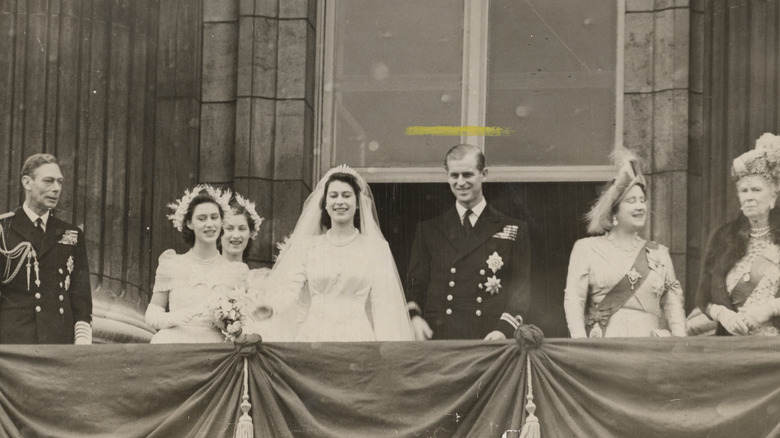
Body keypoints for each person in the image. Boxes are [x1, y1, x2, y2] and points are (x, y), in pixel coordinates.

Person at [254, 165, 414, 342]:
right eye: (333, 196)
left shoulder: (376, 249)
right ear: (325, 204)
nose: (340, 202)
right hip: (314, 336)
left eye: (346, 195)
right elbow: (289, 288)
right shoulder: (308, 247)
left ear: (358, 203)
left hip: (357, 337)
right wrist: (271, 306)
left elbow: (384, 304)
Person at [406, 144, 531, 340]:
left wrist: (503, 330)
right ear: (447, 176)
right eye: (454, 175)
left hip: (489, 337)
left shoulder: (513, 228)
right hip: (440, 336)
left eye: (467, 175)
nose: (461, 182)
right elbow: (416, 285)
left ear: (484, 174)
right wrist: (414, 318)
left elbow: (520, 289)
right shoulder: (428, 229)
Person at [563, 149, 686, 338]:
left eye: (642, 200)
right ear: (614, 213)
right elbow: (574, 300)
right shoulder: (586, 248)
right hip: (605, 346)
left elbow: (674, 306)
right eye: (631, 201)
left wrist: (679, 347)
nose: (640, 206)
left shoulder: (660, 254)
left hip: (650, 350)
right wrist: (582, 346)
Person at [0, 154, 92, 344]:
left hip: (58, 344)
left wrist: (82, 344)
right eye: (48, 181)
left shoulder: (72, 234)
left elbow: (81, 298)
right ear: (27, 182)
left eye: (59, 182)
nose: (56, 188)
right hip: (13, 345)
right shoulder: (3, 229)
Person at [697, 133, 780, 336]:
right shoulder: (722, 238)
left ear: (773, 196)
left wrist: (769, 309)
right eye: (744, 191)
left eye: (756, 190)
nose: (749, 197)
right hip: (731, 348)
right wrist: (722, 314)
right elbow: (704, 297)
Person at [144, 185, 248, 343]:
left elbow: (246, 320)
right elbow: (152, 313)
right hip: (174, 344)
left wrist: (229, 323)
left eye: (214, 217)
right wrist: (176, 317)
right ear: (189, 223)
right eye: (202, 218)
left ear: (222, 222)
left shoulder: (236, 271)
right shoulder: (171, 264)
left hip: (216, 349)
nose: (209, 224)